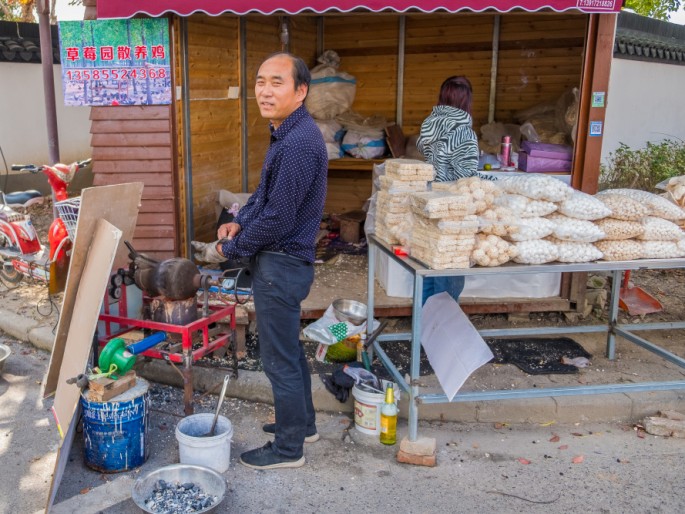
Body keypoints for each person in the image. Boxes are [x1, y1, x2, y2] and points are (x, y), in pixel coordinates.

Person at [192, 52, 327, 470]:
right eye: (260, 81)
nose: (265, 91)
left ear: (300, 91)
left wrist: (229, 250)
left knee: (278, 359)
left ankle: (289, 451)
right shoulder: (286, 134)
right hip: (282, 262)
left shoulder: (300, 143)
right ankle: (303, 426)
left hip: (281, 265)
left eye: (277, 82)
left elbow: (279, 217)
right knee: (289, 351)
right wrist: (238, 222)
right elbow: (265, 199)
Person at [416, 75, 490, 305]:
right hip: (452, 207)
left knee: (430, 266)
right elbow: (466, 176)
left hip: (430, 201)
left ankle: (423, 325)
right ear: (466, 101)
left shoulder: (429, 124)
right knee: (451, 273)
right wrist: (491, 179)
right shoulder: (463, 132)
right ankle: (440, 328)